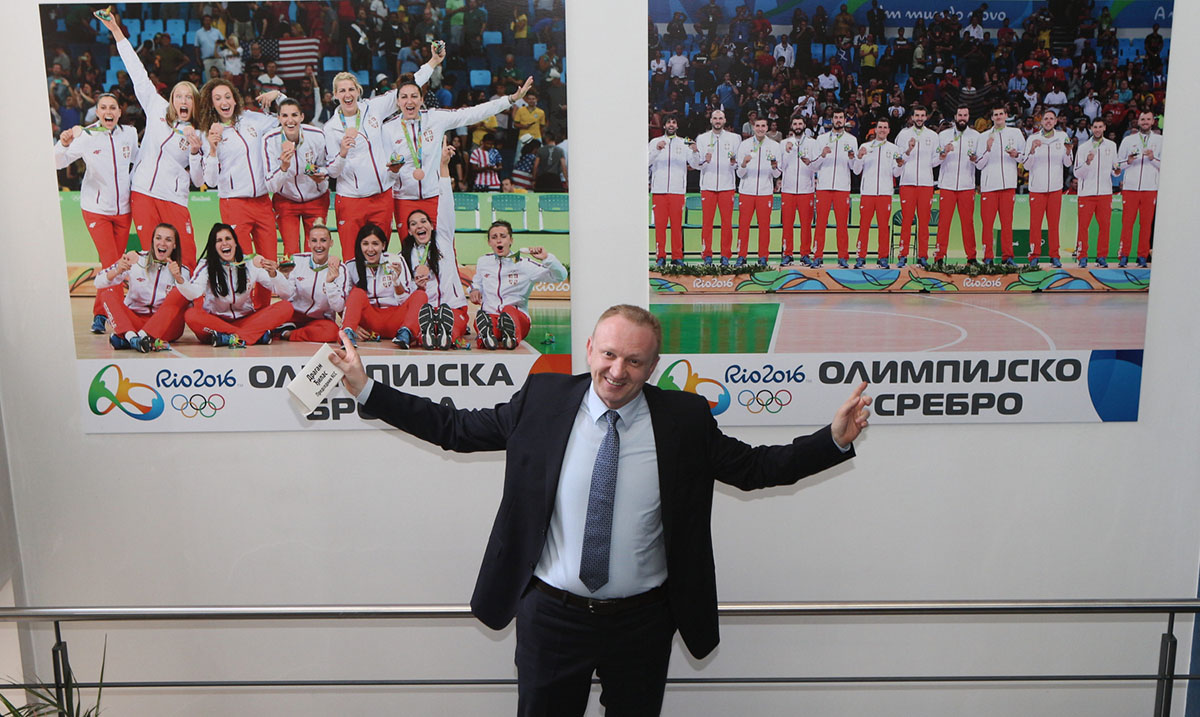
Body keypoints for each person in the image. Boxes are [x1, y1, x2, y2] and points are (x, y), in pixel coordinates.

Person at [328, 303, 871, 717]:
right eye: (609, 354)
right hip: (552, 617)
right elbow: (455, 428)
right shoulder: (541, 401)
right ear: (590, 349)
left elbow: (753, 468)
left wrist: (831, 440)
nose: (618, 370)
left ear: (652, 366)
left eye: (634, 360)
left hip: (642, 623)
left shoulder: (683, 419)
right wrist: (368, 389)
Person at [97, 11, 204, 268]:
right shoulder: (156, 107)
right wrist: (116, 31)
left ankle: (187, 293)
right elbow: (137, 71)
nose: (182, 100)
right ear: (172, 99)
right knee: (151, 256)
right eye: (178, 95)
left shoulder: (199, 132)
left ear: (195, 102)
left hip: (174, 198)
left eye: (188, 97)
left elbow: (200, 180)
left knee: (186, 256)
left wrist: (195, 152)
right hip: (143, 191)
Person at [386, 58, 533, 241]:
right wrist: (392, 171)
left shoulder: (436, 118)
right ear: (397, 101)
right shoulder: (387, 129)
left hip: (434, 196)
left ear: (422, 99)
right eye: (404, 97)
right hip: (403, 199)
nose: (410, 101)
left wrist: (510, 100)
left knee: (442, 248)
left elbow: (472, 113)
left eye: (414, 96)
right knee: (409, 249)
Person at [322, 56, 436, 260]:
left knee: (379, 255)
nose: (347, 94)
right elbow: (332, 171)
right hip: (351, 200)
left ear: (358, 91)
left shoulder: (373, 107)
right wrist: (343, 153)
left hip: (381, 197)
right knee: (352, 257)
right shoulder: (331, 128)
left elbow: (410, 86)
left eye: (351, 89)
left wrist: (433, 62)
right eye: (342, 91)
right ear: (335, 95)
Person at [54, 92, 140, 334]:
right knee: (112, 263)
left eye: (113, 107)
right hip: (96, 210)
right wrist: (63, 143)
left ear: (120, 112)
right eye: (103, 108)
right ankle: (116, 317)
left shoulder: (130, 134)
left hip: (123, 211)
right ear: (97, 112)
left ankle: (101, 315)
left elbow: (139, 161)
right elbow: (57, 162)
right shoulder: (87, 135)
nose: (108, 112)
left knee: (114, 264)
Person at [199, 80, 283, 269]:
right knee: (244, 264)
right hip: (234, 204)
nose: (224, 102)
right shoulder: (207, 133)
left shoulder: (252, 119)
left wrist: (278, 96)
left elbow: (286, 119)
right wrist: (212, 149)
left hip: (262, 201)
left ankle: (265, 291)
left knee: (270, 262)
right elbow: (210, 181)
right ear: (211, 104)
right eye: (218, 98)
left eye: (227, 96)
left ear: (235, 99)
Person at [177, 223, 295, 348]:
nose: (224, 243)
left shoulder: (250, 263)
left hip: (245, 321)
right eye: (219, 240)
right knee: (191, 315)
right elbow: (194, 292)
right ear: (214, 246)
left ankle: (230, 338)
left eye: (228, 238)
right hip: (215, 324)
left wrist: (273, 274)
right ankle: (253, 335)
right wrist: (180, 280)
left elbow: (286, 293)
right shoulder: (206, 265)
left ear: (235, 243)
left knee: (285, 307)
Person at [403, 150, 469, 350]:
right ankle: (429, 333)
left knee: (455, 327)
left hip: (453, 305)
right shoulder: (404, 256)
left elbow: (446, 202)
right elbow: (402, 292)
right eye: (414, 224)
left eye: (423, 221)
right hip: (426, 309)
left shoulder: (444, 238)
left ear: (432, 226)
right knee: (422, 328)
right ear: (409, 231)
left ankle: (447, 333)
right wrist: (415, 285)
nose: (419, 226)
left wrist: (443, 167)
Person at [469, 221, 567, 350]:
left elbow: (560, 276)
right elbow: (477, 282)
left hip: (518, 317)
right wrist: (475, 290)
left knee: (508, 311)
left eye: (503, 236)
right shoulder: (483, 262)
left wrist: (547, 258)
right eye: (494, 237)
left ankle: (509, 335)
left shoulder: (525, 265)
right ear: (489, 242)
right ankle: (489, 335)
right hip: (492, 314)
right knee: (486, 318)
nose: (499, 240)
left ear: (511, 240)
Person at [93, 223, 190, 352]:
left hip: (163, 327)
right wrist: (117, 270)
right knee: (107, 294)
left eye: (168, 240)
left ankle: (133, 339)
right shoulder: (136, 259)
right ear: (152, 241)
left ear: (174, 245)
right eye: (158, 238)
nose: (162, 243)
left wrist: (178, 278)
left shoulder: (182, 270)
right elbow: (98, 282)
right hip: (134, 321)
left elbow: (189, 301)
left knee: (180, 293)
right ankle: (133, 338)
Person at [264, 98, 331, 258]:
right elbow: (271, 186)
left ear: (302, 116)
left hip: (316, 198)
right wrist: (284, 167)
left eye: (294, 115)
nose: (290, 120)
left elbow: (328, 166)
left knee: (316, 250)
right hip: (286, 200)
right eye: (285, 116)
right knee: (291, 251)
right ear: (279, 118)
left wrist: (321, 174)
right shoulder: (269, 140)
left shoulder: (317, 135)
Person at [340, 223, 425, 349]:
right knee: (357, 293)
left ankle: (406, 333)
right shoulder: (351, 265)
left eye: (375, 244)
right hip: (370, 322)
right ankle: (347, 334)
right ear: (360, 245)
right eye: (365, 244)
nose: (370, 249)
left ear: (383, 245)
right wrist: (355, 326)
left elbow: (404, 300)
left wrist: (396, 281)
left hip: (395, 320)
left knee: (420, 295)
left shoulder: (396, 260)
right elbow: (345, 302)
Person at [275, 224, 347, 342]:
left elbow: (338, 306)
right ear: (308, 243)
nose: (318, 245)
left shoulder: (340, 268)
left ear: (331, 243)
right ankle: (285, 328)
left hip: (319, 320)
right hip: (293, 314)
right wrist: (279, 277)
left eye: (323, 240)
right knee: (278, 309)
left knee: (332, 332)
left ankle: (287, 334)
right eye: (314, 241)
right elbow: (285, 295)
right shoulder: (296, 261)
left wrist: (330, 283)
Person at [1021, 108, 1073, 267]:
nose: (1048, 121)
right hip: (1037, 188)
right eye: (1046, 119)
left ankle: (1055, 255)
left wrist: (1069, 151)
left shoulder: (1062, 136)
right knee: (1035, 224)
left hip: (1055, 188)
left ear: (1056, 121)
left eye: (1051, 119)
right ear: (1041, 122)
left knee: (1054, 224)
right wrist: (1032, 150)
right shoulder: (1033, 138)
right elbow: (1026, 166)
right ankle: (1034, 255)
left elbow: (1068, 163)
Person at [689, 110, 741, 266]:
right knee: (707, 223)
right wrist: (702, 159)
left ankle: (726, 255)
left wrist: (734, 163)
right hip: (708, 186)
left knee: (727, 223)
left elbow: (738, 164)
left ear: (725, 120)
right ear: (710, 120)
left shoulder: (734, 138)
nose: (718, 121)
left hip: (727, 186)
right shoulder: (702, 138)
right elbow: (696, 165)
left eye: (720, 118)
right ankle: (707, 255)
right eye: (715, 118)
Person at [976, 106, 1025, 266]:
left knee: (1007, 223)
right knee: (987, 224)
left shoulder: (1015, 133)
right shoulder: (983, 136)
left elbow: (1024, 158)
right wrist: (988, 150)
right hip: (989, 186)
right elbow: (978, 164)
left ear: (1006, 116)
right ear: (992, 118)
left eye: (1001, 114)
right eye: (995, 114)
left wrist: (1016, 155)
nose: (998, 117)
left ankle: (1008, 256)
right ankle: (988, 257)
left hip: (1008, 185)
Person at [932, 106, 981, 265]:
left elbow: (980, 161)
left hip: (967, 185)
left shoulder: (976, 136)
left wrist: (975, 159)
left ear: (968, 117)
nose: (962, 118)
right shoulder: (943, 135)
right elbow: (935, 160)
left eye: (965, 115)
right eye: (960, 115)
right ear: (955, 116)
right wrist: (944, 153)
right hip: (947, 185)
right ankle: (939, 257)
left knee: (968, 223)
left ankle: (971, 257)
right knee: (943, 222)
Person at [851, 118, 901, 268]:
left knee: (883, 227)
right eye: (880, 127)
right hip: (868, 193)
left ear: (889, 130)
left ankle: (883, 257)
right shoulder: (865, 147)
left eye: (885, 127)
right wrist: (859, 157)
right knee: (864, 226)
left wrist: (900, 165)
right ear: (876, 129)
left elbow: (896, 173)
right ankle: (861, 257)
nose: (882, 130)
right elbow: (856, 170)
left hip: (885, 193)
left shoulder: (894, 149)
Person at [893, 106, 939, 268]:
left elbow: (934, 162)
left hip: (926, 184)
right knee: (906, 221)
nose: (919, 118)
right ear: (912, 117)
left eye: (922, 115)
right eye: (917, 115)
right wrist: (909, 149)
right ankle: (902, 255)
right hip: (907, 183)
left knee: (924, 222)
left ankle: (923, 256)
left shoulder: (933, 136)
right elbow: (898, 159)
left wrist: (942, 156)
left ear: (926, 117)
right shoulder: (903, 135)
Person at [811, 108, 858, 267]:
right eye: (836, 117)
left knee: (842, 225)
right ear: (831, 120)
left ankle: (843, 257)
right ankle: (817, 256)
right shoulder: (821, 139)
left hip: (842, 187)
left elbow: (855, 168)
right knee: (820, 224)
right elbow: (814, 166)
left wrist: (852, 158)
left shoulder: (852, 140)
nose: (838, 120)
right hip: (823, 186)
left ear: (845, 120)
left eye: (841, 117)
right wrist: (823, 155)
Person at [1115, 110, 1162, 267]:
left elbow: (1165, 165)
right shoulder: (1128, 140)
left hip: (1150, 188)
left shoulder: (1160, 140)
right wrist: (1128, 161)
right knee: (1127, 223)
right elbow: (1117, 165)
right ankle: (1123, 255)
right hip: (1130, 188)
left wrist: (1152, 158)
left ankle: (1142, 256)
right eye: (1143, 119)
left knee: (1146, 224)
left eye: (1148, 119)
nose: (1145, 122)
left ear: (1153, 121)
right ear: (1138, 121)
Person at [1073, 118, 1120, 268]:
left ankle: (1102, 257)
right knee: (1083, 227)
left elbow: (1115, 168)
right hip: (1086, 193)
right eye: (1095, 127)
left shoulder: (1111, 146)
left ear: (1104, 128)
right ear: (1091, 128)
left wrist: (1117, 172)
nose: (1097, 129)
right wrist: (1087, 162)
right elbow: (1076, 173)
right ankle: (1082, 256)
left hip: (1105, 192)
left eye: (1100, 127)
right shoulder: (1083, 147)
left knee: (1105, 226)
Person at [734, 118, 781, 267]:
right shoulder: (744, 145)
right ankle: (741, 256)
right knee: (743, 226)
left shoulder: (774, 146)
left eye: (763, 126)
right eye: (758, 126)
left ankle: (763, 257)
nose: (760, 129)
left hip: (765, 192)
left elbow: (777, 174)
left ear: (767, 128)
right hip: (746, 191)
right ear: (753, 127)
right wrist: (743, 164)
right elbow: (739, 174)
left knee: (764, 226)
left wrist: (774, 167)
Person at [648, 117, 691, 268]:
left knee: (676, 226)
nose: (671, 125)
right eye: (668, 122)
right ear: (664, 125)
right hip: (659, 190)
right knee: (660, 226)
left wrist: (695, 151)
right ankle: (660, 256)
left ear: (677, 126)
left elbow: (695, 163)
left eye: (674, 122)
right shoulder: (654, 142)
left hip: (677, 191)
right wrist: (656, 150)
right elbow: (645, 162)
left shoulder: (685, 142)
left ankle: (677, 257)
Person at [778, 115, 819, 267]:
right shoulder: (783, 143)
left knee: (806, 225)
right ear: (791, 126)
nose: (797, 126)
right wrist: (787, 152)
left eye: (800, 123)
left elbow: (816, 166)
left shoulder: (812, 143)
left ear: (804, 125)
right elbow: (780, 168)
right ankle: (787, 254)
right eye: (795, 124)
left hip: (806, 189)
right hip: (788, 189)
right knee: (787, 224)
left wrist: (809, 163)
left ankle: (805, 254)